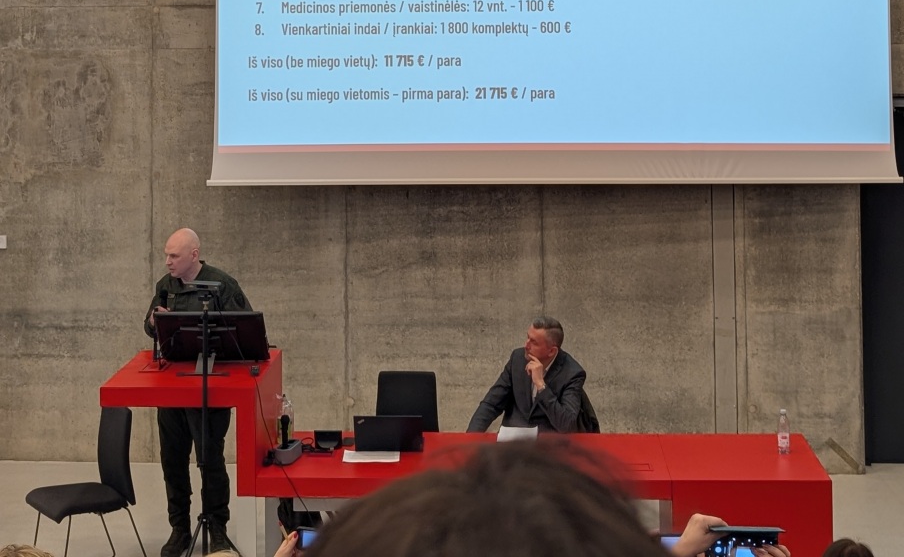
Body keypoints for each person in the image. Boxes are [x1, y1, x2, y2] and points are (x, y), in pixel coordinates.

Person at [292, 440, 791, 557]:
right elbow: (491, 400)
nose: (526, 346)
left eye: (534, 342)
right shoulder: (515, 362)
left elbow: (569, 419)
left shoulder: (568, 374)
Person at [143, 228, 251, 557]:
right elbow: (148, 325)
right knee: (172, 461)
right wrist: (154, 321)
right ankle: (179, 529)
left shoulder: (222, 284)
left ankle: (217, 529)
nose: (168, 261)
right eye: (166, 255)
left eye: (174, 256)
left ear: (194, 255)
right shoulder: (166, 285)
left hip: (209, 387)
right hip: (172, 388)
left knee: (210, 460)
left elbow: (245, 330)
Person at [467, 315, 586, 433]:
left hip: (547, 441)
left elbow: (567, 425)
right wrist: (470, 438)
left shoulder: (572, 373)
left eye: (534, 342)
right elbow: (491, 404)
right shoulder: (517, 359)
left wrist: (541, 386)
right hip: (513, 438)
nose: (526, 345)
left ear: (551, 351)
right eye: (528, 337)